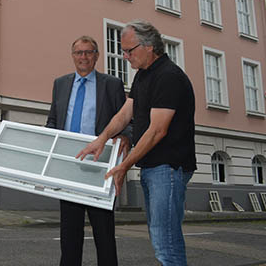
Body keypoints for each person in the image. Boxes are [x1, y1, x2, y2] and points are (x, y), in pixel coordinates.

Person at [77, 20, 196, 266]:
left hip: (169, 168)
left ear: (149, 47)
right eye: (123, 51)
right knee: (160, 237)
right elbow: (124, 114)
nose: (125, 56)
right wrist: (101, 139)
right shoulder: (143, 76)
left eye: (129, 51)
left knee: (167, 243)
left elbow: (156, 131)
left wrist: (123, 166)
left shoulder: (169, 76)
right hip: (154, 168)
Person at [46, 36, 130, 266]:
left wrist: (125, 136)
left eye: (88, 52)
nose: (83, 57)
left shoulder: (111, 84)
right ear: (73, 56)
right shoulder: (60, 83)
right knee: (69, 237)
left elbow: (126, 120)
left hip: (100, 168)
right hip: (69, 166)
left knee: (104, 235)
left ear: (96, 56)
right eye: (78, 53)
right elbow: (53, 121)